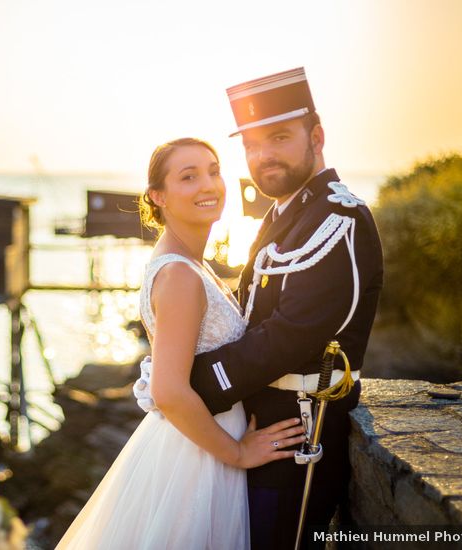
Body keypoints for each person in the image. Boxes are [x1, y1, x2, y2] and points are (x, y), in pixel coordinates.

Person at [135, 67, 384, 549]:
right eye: (250, 144)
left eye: (279, 138)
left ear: (317, 137)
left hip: (297, 435)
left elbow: (288, 335)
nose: (262, 155)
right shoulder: (283, 217)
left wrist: (194, 383)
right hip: (260, 433)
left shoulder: (338, 218)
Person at [56, 137, 308, 550]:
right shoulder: (180, 276)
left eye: (213, 170)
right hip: (197, 458)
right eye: (188, 177)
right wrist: (238, 454)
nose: (208, 185)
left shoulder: (188, 263)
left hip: (198, 443)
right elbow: (169, 390)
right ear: (158, 196)